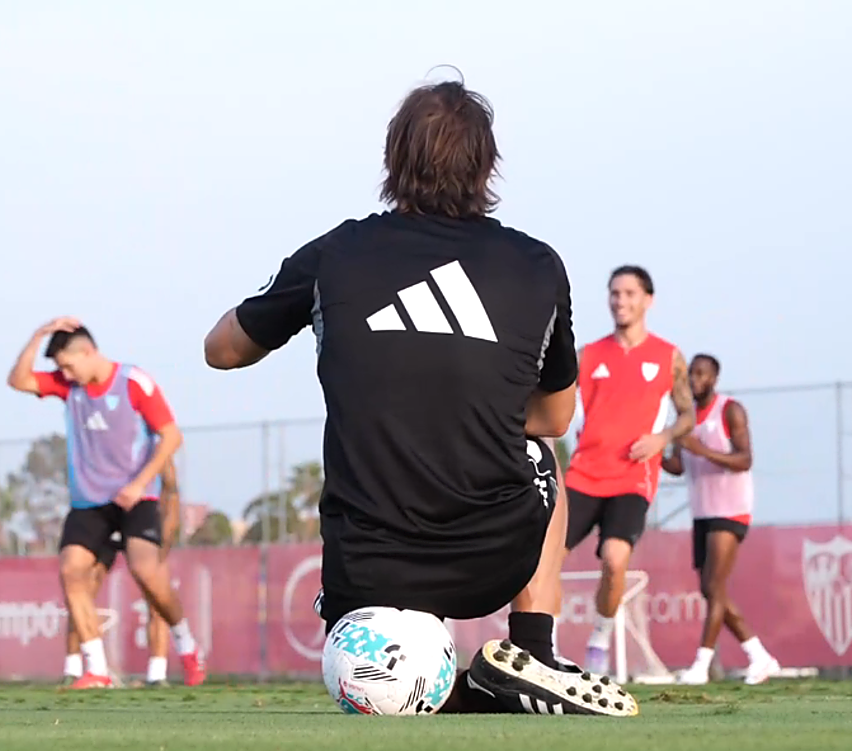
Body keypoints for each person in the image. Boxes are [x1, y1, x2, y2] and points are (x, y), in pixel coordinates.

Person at [203, 76, 636, 717]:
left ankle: (480, 679)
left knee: (373, 668)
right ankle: (532, 651)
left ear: (393, 158)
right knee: (541, 453)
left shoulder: (336, 254)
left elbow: (221, 350)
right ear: (487, 167)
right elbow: (555, 415)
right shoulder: (537, 266)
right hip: (491, 560)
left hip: (364, 575)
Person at [7, 319, 205, 688]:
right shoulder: (70, 388)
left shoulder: (133, 382)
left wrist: (140, 483)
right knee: (71, 570)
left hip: (136, 497)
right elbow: (18, 380)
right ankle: (96, 669)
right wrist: (38, 335)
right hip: (90, 503)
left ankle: (187, 645)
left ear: (88, 352)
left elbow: (171, 436)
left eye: (67, 364)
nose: (63, 373)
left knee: (147, 572)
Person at [561, 265, 694, 675]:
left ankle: (599, 641)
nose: (621, 300)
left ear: (647, 300)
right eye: (615, 293)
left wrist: (663, 437)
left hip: (633, 476)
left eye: (630, 293)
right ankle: (539, 648)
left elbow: (688, 413)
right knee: (542, 560)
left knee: (615, 559)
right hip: (583, 473)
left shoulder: (668, 356)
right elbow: (556, 404)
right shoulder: (589, 355)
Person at [662, 354, 779, 685]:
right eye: (690, 375)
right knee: (709, 589)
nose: (694, 380)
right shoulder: (684, 418)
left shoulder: (729, 409)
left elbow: (745, 459)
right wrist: (653, 452)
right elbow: (678, 466)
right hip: (702, 511)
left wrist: (702, 450)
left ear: (714, 378)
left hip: (731, 510)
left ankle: (701, 665)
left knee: (715, 587)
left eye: (701, 374)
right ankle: (760, 656)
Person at [63, 459, 182, 686]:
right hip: (104, 520)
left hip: (140, 523)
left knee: (156, 596)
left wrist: (164, 542)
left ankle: (157, 675)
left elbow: (172, 492)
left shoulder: (153, 451)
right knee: (81, 590)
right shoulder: (103, 450)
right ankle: (74, 669)